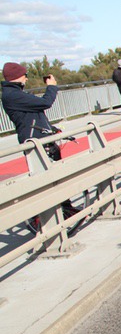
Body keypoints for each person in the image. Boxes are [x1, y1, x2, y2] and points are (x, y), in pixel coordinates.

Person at [1, 62, 79, 218]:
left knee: (56, 177)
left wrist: (52, 128)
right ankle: (45, 216)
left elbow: (34, 115)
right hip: (35, 141)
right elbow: (45, 103)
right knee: (48, 180)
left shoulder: (16, 93)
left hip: (42, 137)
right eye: (25, 75)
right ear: (18, 76)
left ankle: (66, 209)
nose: (27, 79)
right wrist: (51, 87)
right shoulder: (12, 95)